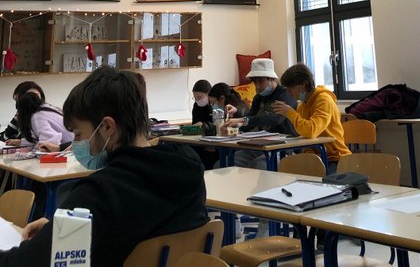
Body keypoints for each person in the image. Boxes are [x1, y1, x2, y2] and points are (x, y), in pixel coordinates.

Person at [0, 66, 208, 267]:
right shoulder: (190, 169)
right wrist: (62, 228)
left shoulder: (99, 193)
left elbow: (24, 263)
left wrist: (57, 235)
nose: (75, 143)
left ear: (107, 127)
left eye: (78, 134)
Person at [273, 63, 351, 172]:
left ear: (304, 85)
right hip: (315, 157)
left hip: (335, 159)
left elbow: (311, 131)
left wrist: (290, 113)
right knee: (286, 173)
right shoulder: (302, 105)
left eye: (290, 88)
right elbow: (303, 134)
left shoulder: (324, 100)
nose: (288, 92)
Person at [225, 58, 297, 170]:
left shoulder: (285, 94)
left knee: (259, 165)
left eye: (261, 81)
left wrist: (244, 120)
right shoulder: (258, 98)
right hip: (262, 145)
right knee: (225, 163)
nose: (257, 86)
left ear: (271, 78)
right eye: (255, 82)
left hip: (285, 147)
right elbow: (251, 121)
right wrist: (237, 123)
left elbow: (275, 119)